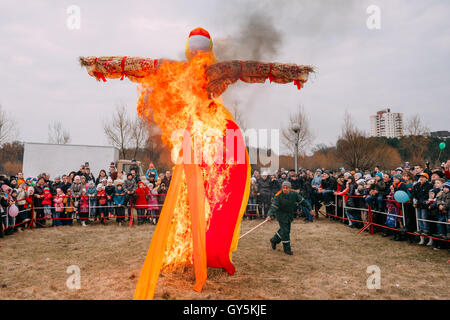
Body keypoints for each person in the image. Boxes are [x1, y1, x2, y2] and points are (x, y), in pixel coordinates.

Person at [266, 181, 313, 255]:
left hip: (289, 214)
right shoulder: (278, 195)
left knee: (285, 230)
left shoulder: (294, 194)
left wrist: (310, 209)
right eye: (283, 188)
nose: (285, 189)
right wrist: (269, 215)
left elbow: (303, 201)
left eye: (287, 188)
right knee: (285, 232)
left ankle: (274, 240)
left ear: (289, 188)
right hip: (281, 215)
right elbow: (274, 206)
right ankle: (287, 249)